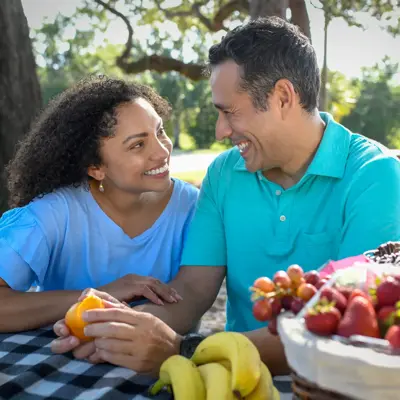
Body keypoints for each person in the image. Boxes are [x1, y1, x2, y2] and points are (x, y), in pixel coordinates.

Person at [51, 17, 400, 376]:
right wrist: (117, 328)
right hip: (234, 375)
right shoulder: (224, 173)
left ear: (283, 97)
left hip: (328, 384)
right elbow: (191, 291)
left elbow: (345, 325)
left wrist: (185, 349)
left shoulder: (375, 176)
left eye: (229, 112)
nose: (220, 131)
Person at [0, 76, 199, 336]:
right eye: (138, 144)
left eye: (159, 131)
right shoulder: (52, 215)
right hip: (64, 362)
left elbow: (195, 299)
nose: (162, 152)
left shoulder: (192, 207)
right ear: (96, 168)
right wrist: (94, 297)